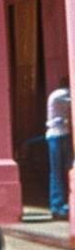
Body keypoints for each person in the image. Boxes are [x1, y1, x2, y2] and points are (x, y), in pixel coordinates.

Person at [46, 76, 72, 221]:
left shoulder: (55, 95)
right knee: (62, 169)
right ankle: (58, 205)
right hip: (60, 134)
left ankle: (58, 205)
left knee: (57, 171)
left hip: (58, 135)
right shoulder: (61, 95)